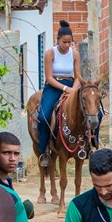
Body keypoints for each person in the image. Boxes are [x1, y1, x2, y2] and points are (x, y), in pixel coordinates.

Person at [36, 23, 81, 155]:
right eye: (64, 42)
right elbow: (49, 78)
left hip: (71, 85)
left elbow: (78, 76)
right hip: (54, 86)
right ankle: (43, 149)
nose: (67, 45)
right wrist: (66, 89)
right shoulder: (50, 53)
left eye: (69, 42)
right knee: (44, 116)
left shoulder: (75, 54)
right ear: (58, 40)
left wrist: (74, 88)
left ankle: (90, 143)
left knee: (93, 110)